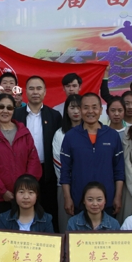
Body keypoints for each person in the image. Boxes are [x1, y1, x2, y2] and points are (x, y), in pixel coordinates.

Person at [0, 93, 42, 232]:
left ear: (14, 110)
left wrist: (25, 189)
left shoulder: (24, 132)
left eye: (9, 108)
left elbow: (33, 161)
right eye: (1, 107)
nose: (5, 111)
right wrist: (3, 192)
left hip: (24, 198)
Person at [60, 93, 125, 218]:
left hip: (107, 201)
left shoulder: (112, 135)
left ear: (101, 110)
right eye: (86, 107)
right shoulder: (70, 136)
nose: (90, 111)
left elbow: (119, 170)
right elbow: (65, 171)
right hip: (79, 201)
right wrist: (67, 198)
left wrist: (118, 196)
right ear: (80, 110)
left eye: (94, 107)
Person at [14, 76, 63, 231]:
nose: (35, 92)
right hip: (23, 171)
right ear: (25, 91)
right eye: (31, 88)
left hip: (47, 172)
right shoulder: (16, 115)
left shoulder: (54, 116)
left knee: (49, 211)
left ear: (45, 92)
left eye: (39, 88)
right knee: (22, 211)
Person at [51, 94, 83, 232]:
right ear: (66, 110)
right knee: (66, 225)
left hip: (88, 185)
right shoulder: (60, 134)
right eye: (72, 107)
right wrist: (69, 182)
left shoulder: (92, 131)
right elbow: (58, 162)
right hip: (65, 186)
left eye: (79, 107)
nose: (76, 111)